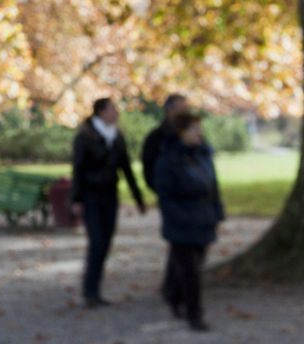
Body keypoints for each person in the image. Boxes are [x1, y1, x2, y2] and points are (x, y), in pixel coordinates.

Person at [71, 97, 146, 308]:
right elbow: (77, 169)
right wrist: (76, 198)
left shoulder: (117, 137)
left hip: (110, 195)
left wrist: (137, 197)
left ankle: (95, 289)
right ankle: (90, 290)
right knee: (96, 242)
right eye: (113, 109)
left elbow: (126, 169)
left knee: (105, 242)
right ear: (101, 112)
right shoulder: (85, 137)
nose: (116, 113)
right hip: (91, 196)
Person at [153, 111, 225, 332]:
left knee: (190, 266)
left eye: (199, 129)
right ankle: (195, 314)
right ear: (182, 132)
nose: (198, 133)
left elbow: (213, 186)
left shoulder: (203, 155)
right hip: (182, 223)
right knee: (191, 271)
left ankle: (174, 296)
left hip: (203, 218)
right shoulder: (169, 160)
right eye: (193, 129)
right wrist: (181, 218)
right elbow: (165, 196)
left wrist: (217, 212)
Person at [142, 93, 190, 309]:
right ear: (170, 110)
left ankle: (175, 284)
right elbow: (149, 170)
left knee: (186, 242)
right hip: (170, 197)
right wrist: (163, 190)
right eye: (182, 108)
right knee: (177, 239)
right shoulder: (156, 138)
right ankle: (173, 286)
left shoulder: (189, 134)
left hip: (190, 197)